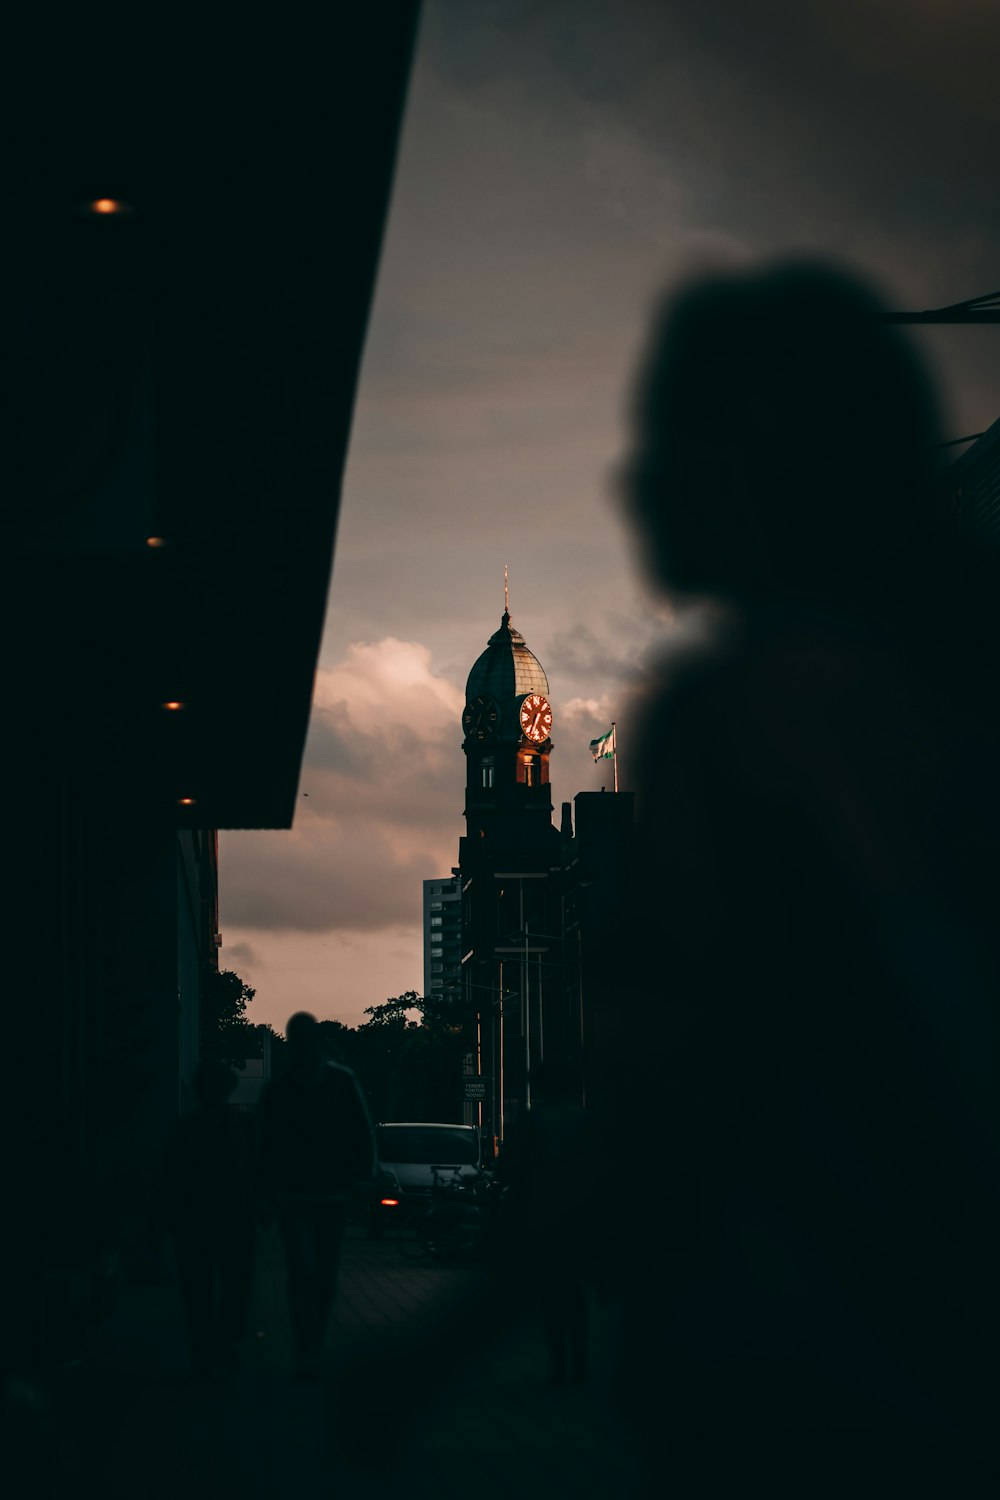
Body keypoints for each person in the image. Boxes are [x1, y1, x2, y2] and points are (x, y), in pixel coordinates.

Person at [608, 256, 1000, 1494]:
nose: (635, 476)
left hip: (779, 1378)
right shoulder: (948, 699)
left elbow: (693, 1080)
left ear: (761, 468)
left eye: (669, 428)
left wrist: (440, 1343)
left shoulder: (732, 716)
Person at [255, 1012, 376, 1378]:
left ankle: (312, 1342)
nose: (304, 1049)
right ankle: (308, 1346)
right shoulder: (280, 1091)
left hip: (330, 1194)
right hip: (295, 1195)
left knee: (321, 1275)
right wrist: (262, 1194)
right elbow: (264, 1147)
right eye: (299, 1041)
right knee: (304, 1271)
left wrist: (363, 1178)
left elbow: (362, 1133)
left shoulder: (338, 1082)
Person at [497, 1058, 592, 1387]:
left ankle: (559, 1364)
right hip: (579, 1215)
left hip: (542, 1213)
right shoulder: (583, 1119)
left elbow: (509, 1167)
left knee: (551, 1294)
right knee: (575, 1292)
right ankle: (581, 1360)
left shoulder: (533, 1120)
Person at [159, 1057, 255, 1377]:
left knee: (233, 1285)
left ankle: (218, 1343)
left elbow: (256, 1169)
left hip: (228, 1217)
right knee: (200, 1287)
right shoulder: (191, 1128)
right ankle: (208, 1346)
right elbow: (169, 1175)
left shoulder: (236, 1126)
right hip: (196, 1218)